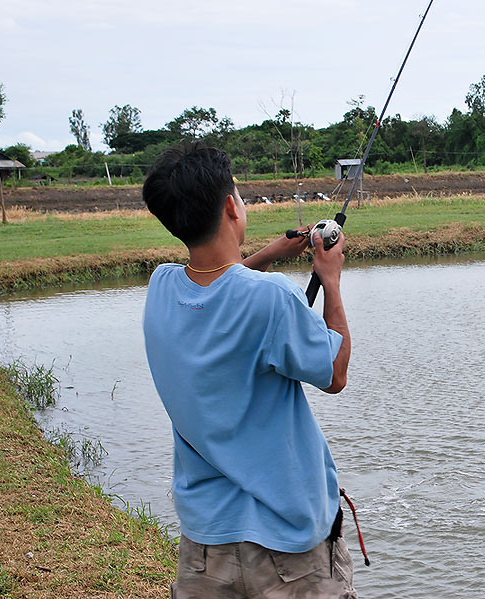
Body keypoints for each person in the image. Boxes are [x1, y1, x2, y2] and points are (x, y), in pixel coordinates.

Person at [141, 142, 356, 598]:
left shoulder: (160, 287)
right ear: (229, 208)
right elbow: (334, 373)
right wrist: (331, 280)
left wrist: (267, 255)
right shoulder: (271, 297)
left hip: (204, 545)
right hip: (290, 546)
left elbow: (216, 286)